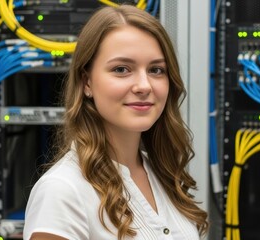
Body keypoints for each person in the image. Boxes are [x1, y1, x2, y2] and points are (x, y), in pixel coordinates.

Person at [23, 4, 209, 240]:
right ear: (87, 82)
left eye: (156, 70)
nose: (144, 85)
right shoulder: (62, 191)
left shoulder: (161, 173)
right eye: (122, 69)